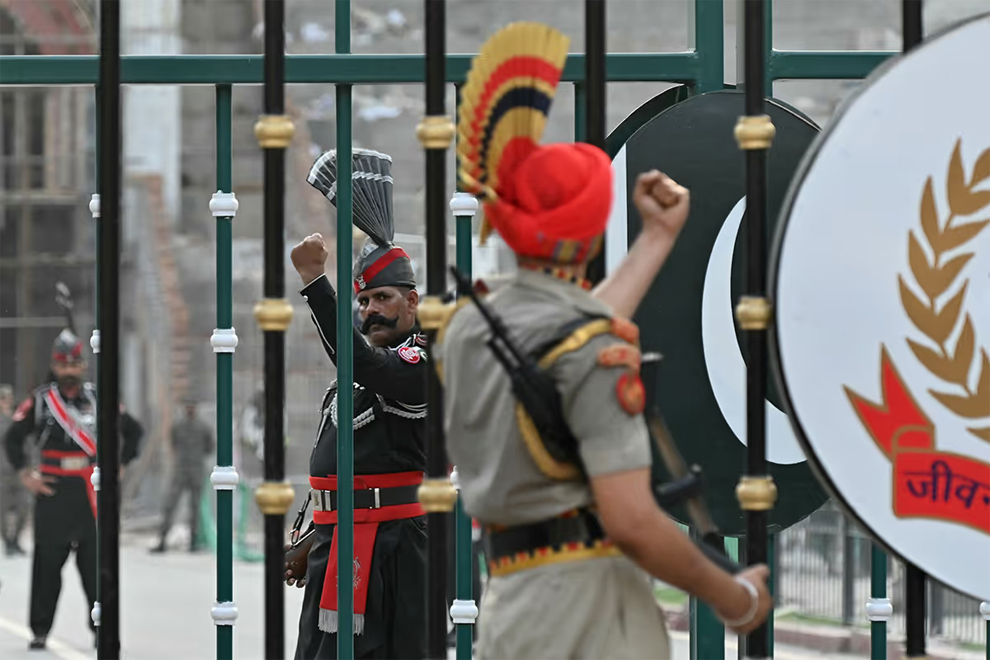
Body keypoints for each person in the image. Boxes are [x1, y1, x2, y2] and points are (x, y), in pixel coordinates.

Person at [437, 23, 772, 659]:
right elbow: (635, 524)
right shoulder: (590, 354)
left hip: (512, 606)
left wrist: (657, 240)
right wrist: (734, 597)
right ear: (591, 234)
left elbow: (567, 340)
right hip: (588, 617)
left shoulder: (470, 326)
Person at [285, 147, 428, 660]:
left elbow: (363, 365)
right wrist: (311, 536)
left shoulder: (423, 362)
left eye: (383, 299)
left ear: (412, 300)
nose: (370, 311)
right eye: (363, 302)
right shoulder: (361, 370)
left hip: (395, 551)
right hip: (337, 545)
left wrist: (314, 285)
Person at [4, 328, 144, 650]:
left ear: (83, 366)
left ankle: (101, 629)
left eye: (75, 364)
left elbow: (133, 431)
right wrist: (26, 474)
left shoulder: (99, 399)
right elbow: (12, 438)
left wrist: (119, 465)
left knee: (96, 566)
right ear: (55, 365)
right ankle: (39, 629)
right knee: (47, 564)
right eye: (63, 364)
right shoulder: (40, 401)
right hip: (53, 491)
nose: (69, 369)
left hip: (91, 492)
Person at [151, 398, 214, 553]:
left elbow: (209, 447)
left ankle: (193, 540)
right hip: (181, 470)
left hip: (196, 470)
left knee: (195, 507)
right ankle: (163, 538)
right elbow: (173, 444)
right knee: (170, 505)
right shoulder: (178, 427)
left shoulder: (203, 427)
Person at [1, 383, 29, 556]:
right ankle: (7, 541)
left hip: (19, 470)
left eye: (9, 398)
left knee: (24, 507)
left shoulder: (18, 418)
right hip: (1, 472)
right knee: (2, 510)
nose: (6, 402)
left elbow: (27, 442)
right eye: (3, 398)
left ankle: (16, 538)